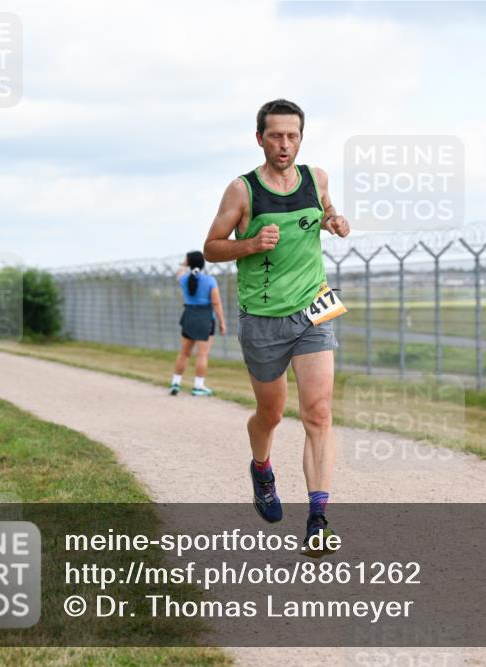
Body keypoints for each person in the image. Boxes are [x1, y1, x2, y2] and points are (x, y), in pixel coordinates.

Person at [204, 99, 350, 558]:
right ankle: (262, 468)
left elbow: (325, 208)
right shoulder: (242, 191)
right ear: (259, 139)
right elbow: (211, 247)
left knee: (318, 413)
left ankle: (318, 520)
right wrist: (249, 244)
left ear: (301, 138)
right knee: (270, 413)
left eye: (292, 136)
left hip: (313, 309)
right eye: (275, 136)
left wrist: (333, 219)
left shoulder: (316, 178)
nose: (284, 144)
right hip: (263, 320)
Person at [171, 251, 225, 396]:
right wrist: (222, 322)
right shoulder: (210, 280)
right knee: (202, 355)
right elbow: (216, 302)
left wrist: (185, 264)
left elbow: (180, 273)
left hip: (189, 316)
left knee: (184, 353)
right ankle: (198, 386)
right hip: (205, 319)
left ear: (188, 263)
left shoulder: (184, 279)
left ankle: (175, 383)